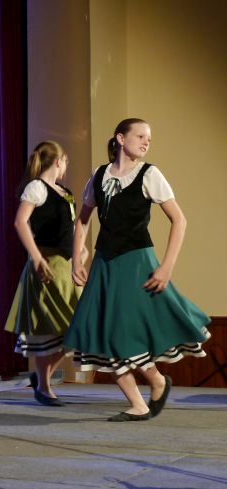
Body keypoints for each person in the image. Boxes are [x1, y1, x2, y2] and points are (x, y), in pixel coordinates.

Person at [65, 118, 210, 421]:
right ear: (121, 138)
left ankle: (154, 384)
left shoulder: (149, 174)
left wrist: (166, 267)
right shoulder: (99, 175)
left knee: (123, 331)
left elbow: (180, 220)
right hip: (105, 263)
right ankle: (143, 397)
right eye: (141, 136)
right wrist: (77, 260)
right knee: (100, 331)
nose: (146, 142)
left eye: (149, 139)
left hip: (137, 261)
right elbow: (82, 220)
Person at [4, 141, 82, 406]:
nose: (66, 166)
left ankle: (42, 377)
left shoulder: (65, 192)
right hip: (47, 264)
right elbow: (20, 222)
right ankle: (45, 387)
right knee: (46, 328)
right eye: (66, 161)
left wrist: (79, 255)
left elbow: (71, 228)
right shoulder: (36, 187)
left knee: (78, 328)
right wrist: (37, 257)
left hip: (66, 266)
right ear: (58, 161)